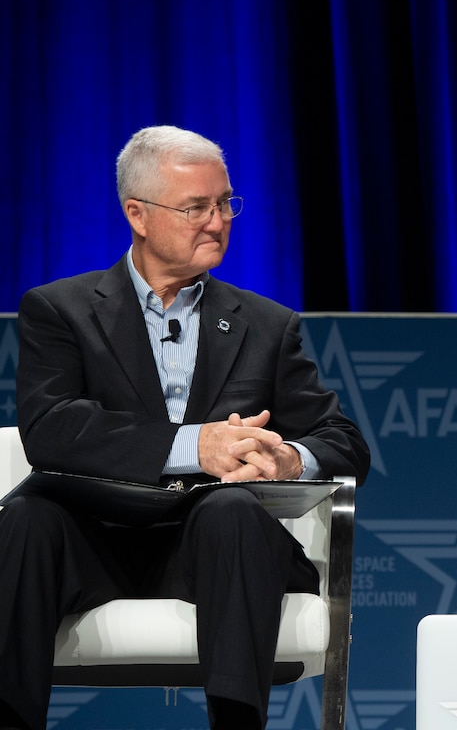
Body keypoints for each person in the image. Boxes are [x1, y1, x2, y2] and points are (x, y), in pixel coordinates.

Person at [0, 126, 370, 730]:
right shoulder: (58, 310)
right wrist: (196, 443)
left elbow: (345, 443)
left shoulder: (266, 325)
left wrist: (287, 460)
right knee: (25, 518)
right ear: (137, 215)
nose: (218, 220)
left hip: (214, 547)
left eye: (225, 203)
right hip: (92, 539)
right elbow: (52, 429)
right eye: (197, 207)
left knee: (231, 511)